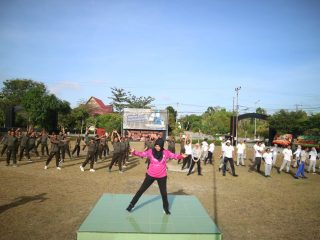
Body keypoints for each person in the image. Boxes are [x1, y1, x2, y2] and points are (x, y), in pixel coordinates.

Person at [126, 138, 185, 215]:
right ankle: (131, 205)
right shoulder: (150, 152)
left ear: (161, 146)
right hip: (150, 175)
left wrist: (182, 156)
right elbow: (142, 154)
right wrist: (134, 152)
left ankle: (166, 208)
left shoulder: (165, 152)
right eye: (156, 146)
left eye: (159, 146)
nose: (157, 147)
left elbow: (174, 156)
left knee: (164, 193)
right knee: (141, 190)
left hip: (162, 176)